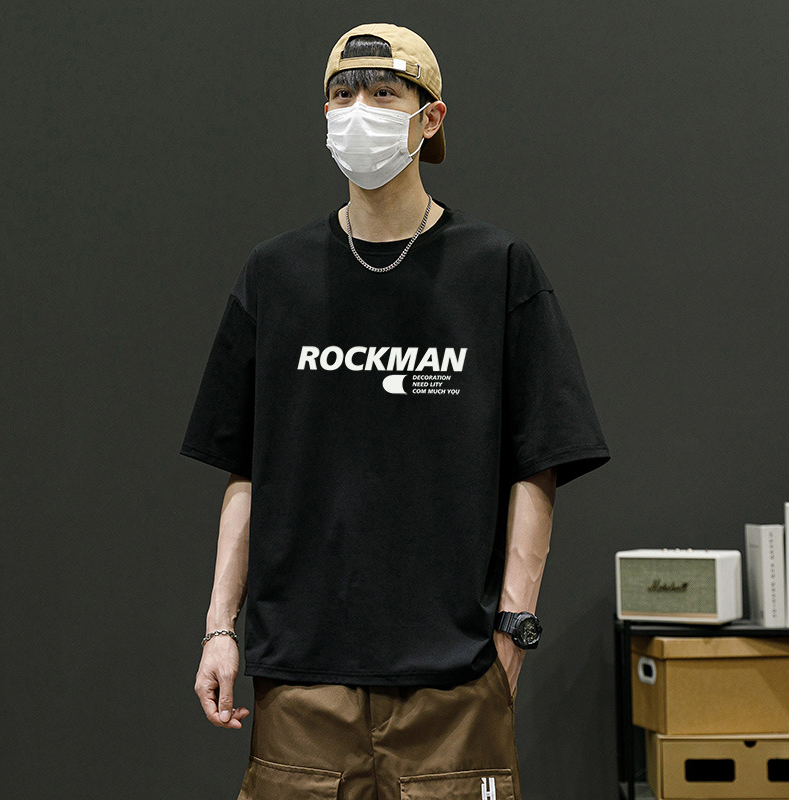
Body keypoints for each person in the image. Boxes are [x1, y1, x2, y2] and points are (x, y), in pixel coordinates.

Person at [179, 22, 610, 800]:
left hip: (454, 685)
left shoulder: (497, 269)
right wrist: (219, 629)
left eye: (384, 93)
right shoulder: (275, 275)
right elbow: (245, 472)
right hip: (301, 682)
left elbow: (539, 464)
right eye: (342, 95)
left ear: (430, 118)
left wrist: (513, 630)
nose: (359, 111)